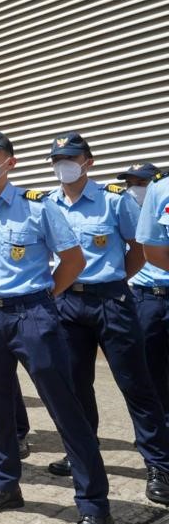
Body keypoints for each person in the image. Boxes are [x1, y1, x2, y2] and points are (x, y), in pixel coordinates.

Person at [0, 130, 113, 524]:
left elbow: (73, 261)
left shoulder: (38, 207)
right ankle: (5, 484)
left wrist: (43, 297)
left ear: (10, 162)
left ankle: (94, 506)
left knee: (65, 407)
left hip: (32, 315)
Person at [45, 133, 169, 503]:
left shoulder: (114, 200)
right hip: (68, 304)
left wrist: (113, 282)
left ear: (88, 161)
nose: (64, 165)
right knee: (75, 386)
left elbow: (139, 249)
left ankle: (159, 465)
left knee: (136, 384)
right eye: (57, 159)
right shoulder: (48, 203)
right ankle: (82, 453)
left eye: (71, 158)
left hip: (111, 301)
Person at [123, 163, 169, 420]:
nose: (134, 189)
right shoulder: (125, 214)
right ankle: (159, 425)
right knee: (148, 367)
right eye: (130, 184)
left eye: (141, 183)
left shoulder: (163, 206)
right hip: (144, 297)